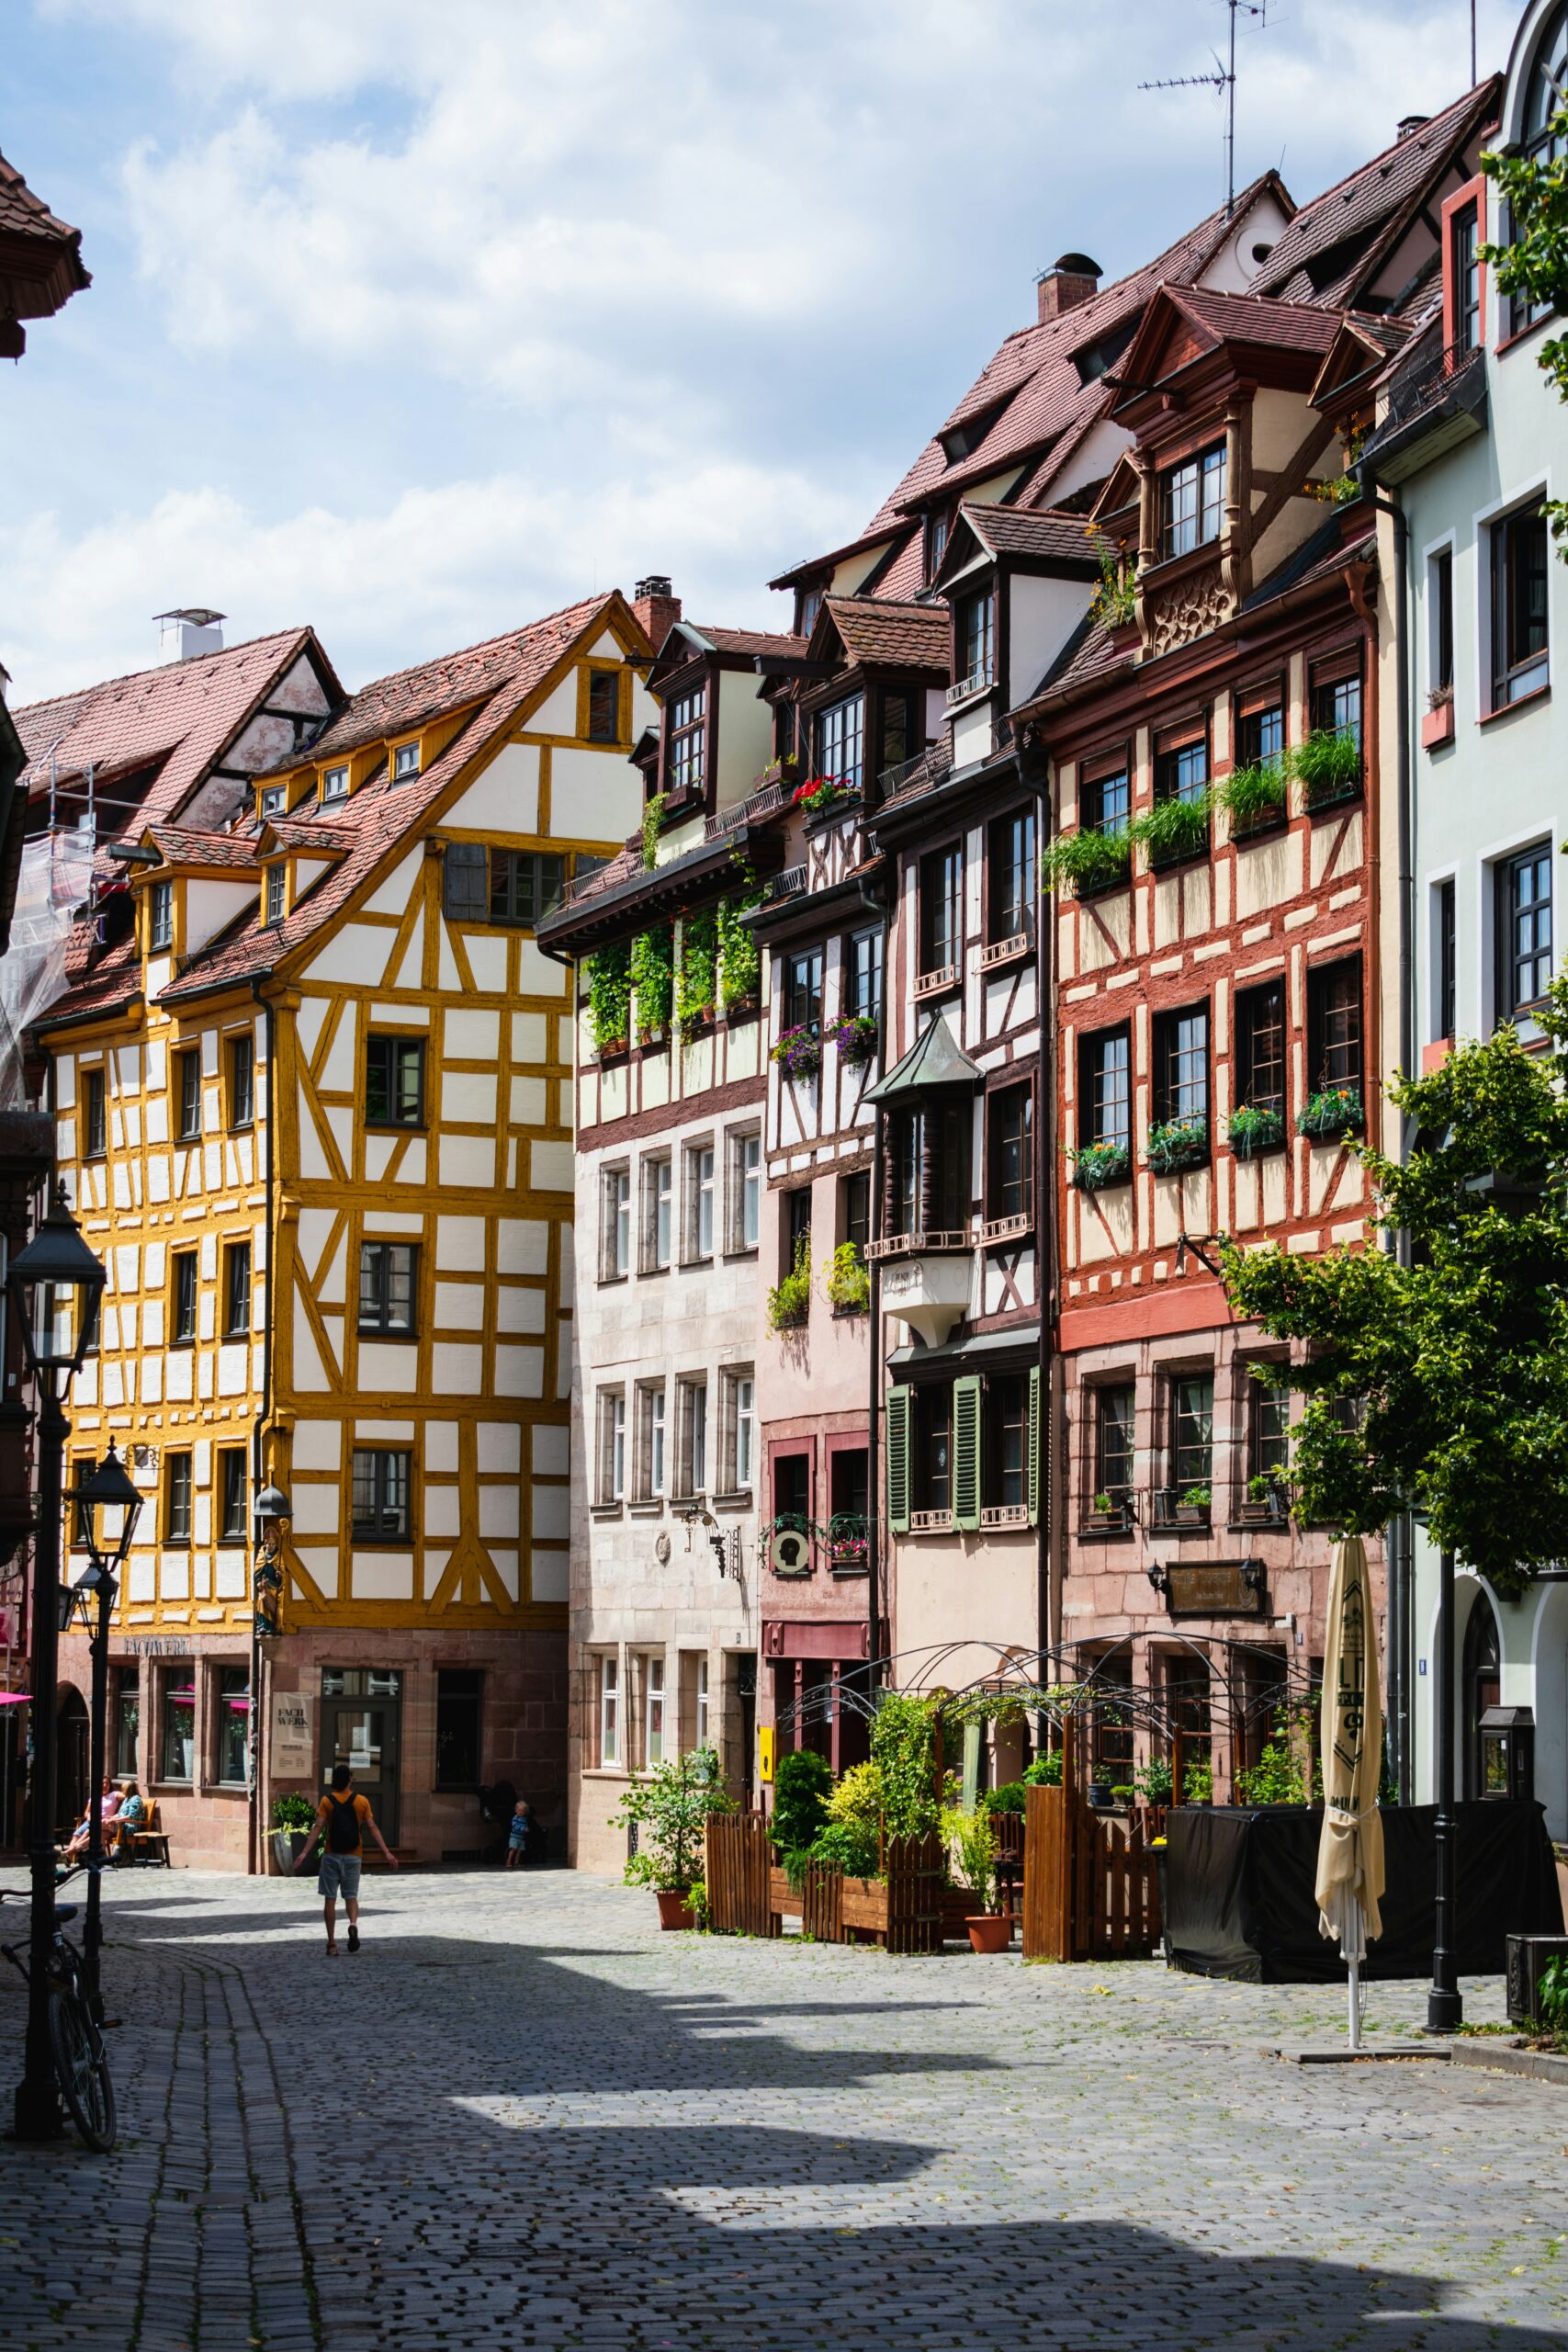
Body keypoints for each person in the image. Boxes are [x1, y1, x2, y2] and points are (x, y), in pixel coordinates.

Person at [291, 1763, 398, 1954]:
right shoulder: (361, 1801)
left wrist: (304, 1852)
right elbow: (372, 1827)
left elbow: (318, 1827)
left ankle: (332, 1943)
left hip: (332, 1855)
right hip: (353, 1856)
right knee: (351, 1896)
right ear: (350, 1779)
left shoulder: (327, 1801)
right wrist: (387, 1852)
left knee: (330, 1899)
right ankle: (353, 1923)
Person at [66, 1777, 122, 1861]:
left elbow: (127, 1796)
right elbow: (86, 1812)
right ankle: (69, 1858)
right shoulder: (95, 1797)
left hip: (104, 1823)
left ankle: (69, 1852)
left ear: (110, 1785)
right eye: (103, 1783)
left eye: (107, 1783)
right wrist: (89, 1816)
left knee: (87, 1833)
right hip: (91, 1821)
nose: (105, 1785)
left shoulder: (114, 1794)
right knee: (76, 1835)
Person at [505, 1795, 535, 1870]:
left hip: (521, 1838)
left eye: (522, 1811)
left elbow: (525, 1825)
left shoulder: (524, 1819)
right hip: (515, 1837)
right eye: (519, 1811)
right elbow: (515, 1826)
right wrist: (523, 1829)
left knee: (519, 1850)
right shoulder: (515, 1818)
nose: (520, 1812)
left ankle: (516, 1862)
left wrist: (527, 1829)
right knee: (513, 1849)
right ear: (516, 1810)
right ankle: (508, 1861)